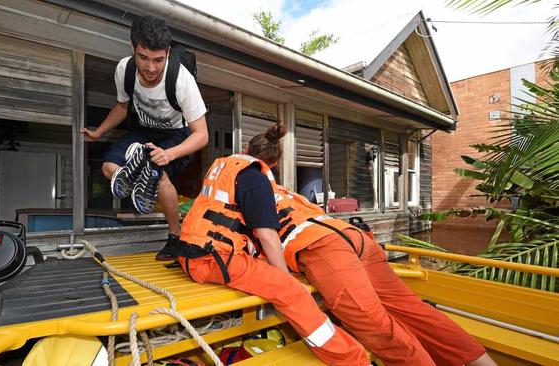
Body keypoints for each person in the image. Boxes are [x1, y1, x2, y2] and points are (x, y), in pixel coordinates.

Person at [177, 121, 498, 366]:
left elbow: (266, 236)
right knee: (411, 309)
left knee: (377, 327)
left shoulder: (249, 183)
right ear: (275, 163)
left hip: (324, 250)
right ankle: (482, 361)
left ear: (254, 157)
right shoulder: (288, 192)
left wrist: (284, 280)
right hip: (354, 238)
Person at [176, 122, 369, 365]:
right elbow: (267, 236)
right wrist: (286, 276)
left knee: (273, 270)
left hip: (195, 251)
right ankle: (351, 359)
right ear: (274, 164)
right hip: (212, 259)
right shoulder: (256, 180)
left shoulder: (223, 167)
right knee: (293, 292)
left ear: (246, 148)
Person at [81, 16, 208, 261]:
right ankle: (140, 173)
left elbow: (201, 135)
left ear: (168, 53)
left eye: (159, 60)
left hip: (178, 134)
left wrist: (169, 154)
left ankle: (175, 237)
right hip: (145, 131)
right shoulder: (124, 70)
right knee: (108, 168)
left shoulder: (182, 81)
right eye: (143, 57)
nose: (151, 68)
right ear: (133, 49)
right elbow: (122, 106)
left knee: (159, 176)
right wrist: (99, 132)